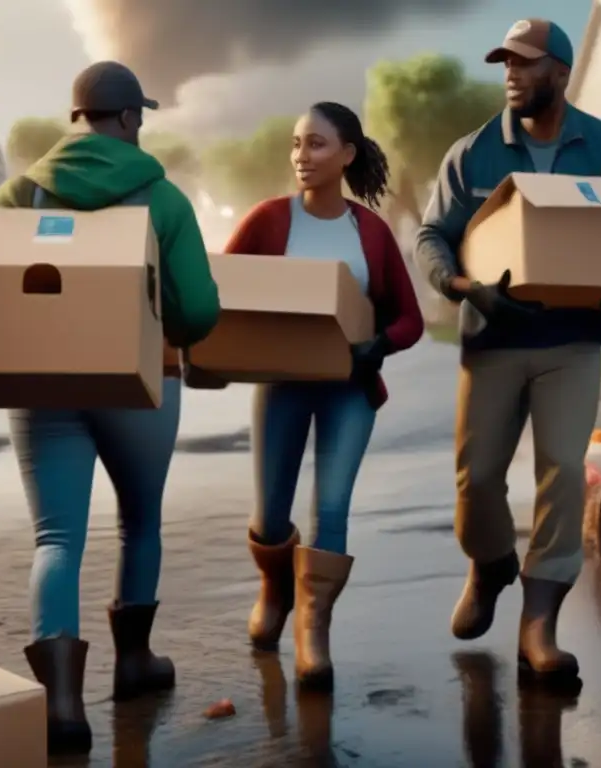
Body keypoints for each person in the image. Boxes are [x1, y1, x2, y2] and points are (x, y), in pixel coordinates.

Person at [414, 19, 601, 686]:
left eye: (525, 64)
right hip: (493, 339)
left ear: (559, 72)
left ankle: (539, 625)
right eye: (505, 63)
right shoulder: (472, 154)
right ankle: (490, 563)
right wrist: (465, 288)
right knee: (478, 480)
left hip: (573, 340)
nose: (511, 74)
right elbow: (432, 235)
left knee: (560, 470)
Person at [0, 61, 220, 754]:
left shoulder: (18, 195)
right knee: (139, 521)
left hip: (39, 385)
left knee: (56, 538)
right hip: (137, 387)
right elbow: (198, 313)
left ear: (75, 118)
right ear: (128, 119)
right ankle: (133, 663)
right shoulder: (163, 199)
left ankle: (61, 700)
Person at [223, 102, 424, 692]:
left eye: (315, 144)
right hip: (281, 386)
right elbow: (222, 292)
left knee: (330, 510)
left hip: (349, 389)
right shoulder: (267, 220)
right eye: (295, 144)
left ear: (346, 155)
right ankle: (275, 589)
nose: (300, 157)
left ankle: (315, 627)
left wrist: (378, 346)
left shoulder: (373, 233)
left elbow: (409, 318)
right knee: (270, 514)